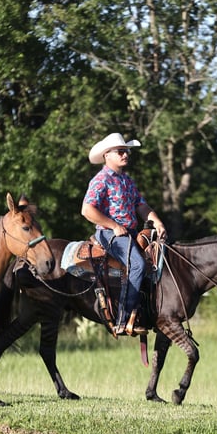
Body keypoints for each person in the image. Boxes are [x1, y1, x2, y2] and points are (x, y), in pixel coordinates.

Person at [81, 132, 167, 336]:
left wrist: (157, 222)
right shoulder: (101, 180)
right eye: (120, 151)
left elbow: (141, 205)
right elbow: (87, 210)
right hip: (109, 235)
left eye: (126, 151)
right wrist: (113, 225)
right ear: (107, 155)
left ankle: (148, 313)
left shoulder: (127, 181)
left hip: (129, 234)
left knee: (157, 261)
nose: (125, 154)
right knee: (137, 264)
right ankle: (122, 319)